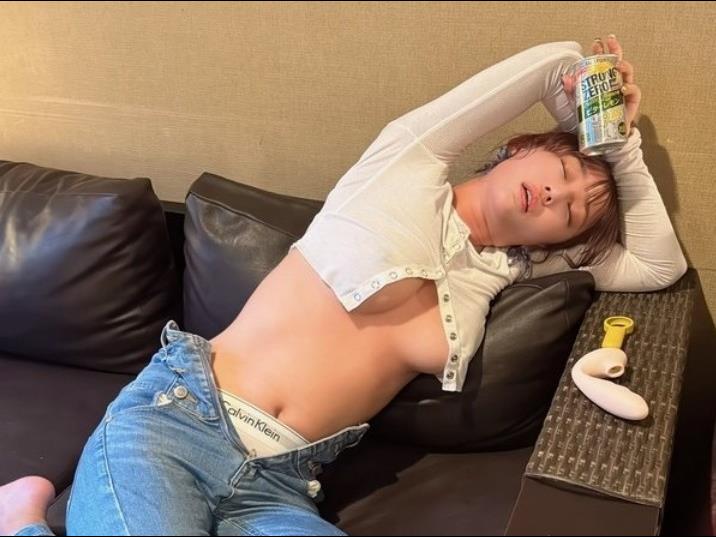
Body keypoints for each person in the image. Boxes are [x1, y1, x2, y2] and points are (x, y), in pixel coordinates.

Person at [0, 34, 686, 536]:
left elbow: (659, 268)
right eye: (560, 171)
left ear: (555, 242)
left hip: (280, 481)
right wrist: (587, 100)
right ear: (518, 148)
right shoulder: (405, 167)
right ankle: (22, 516)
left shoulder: (509, 270)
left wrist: (620, 151)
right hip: (180, 422)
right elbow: (553, 63)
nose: (560, 195)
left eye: (574, 212)